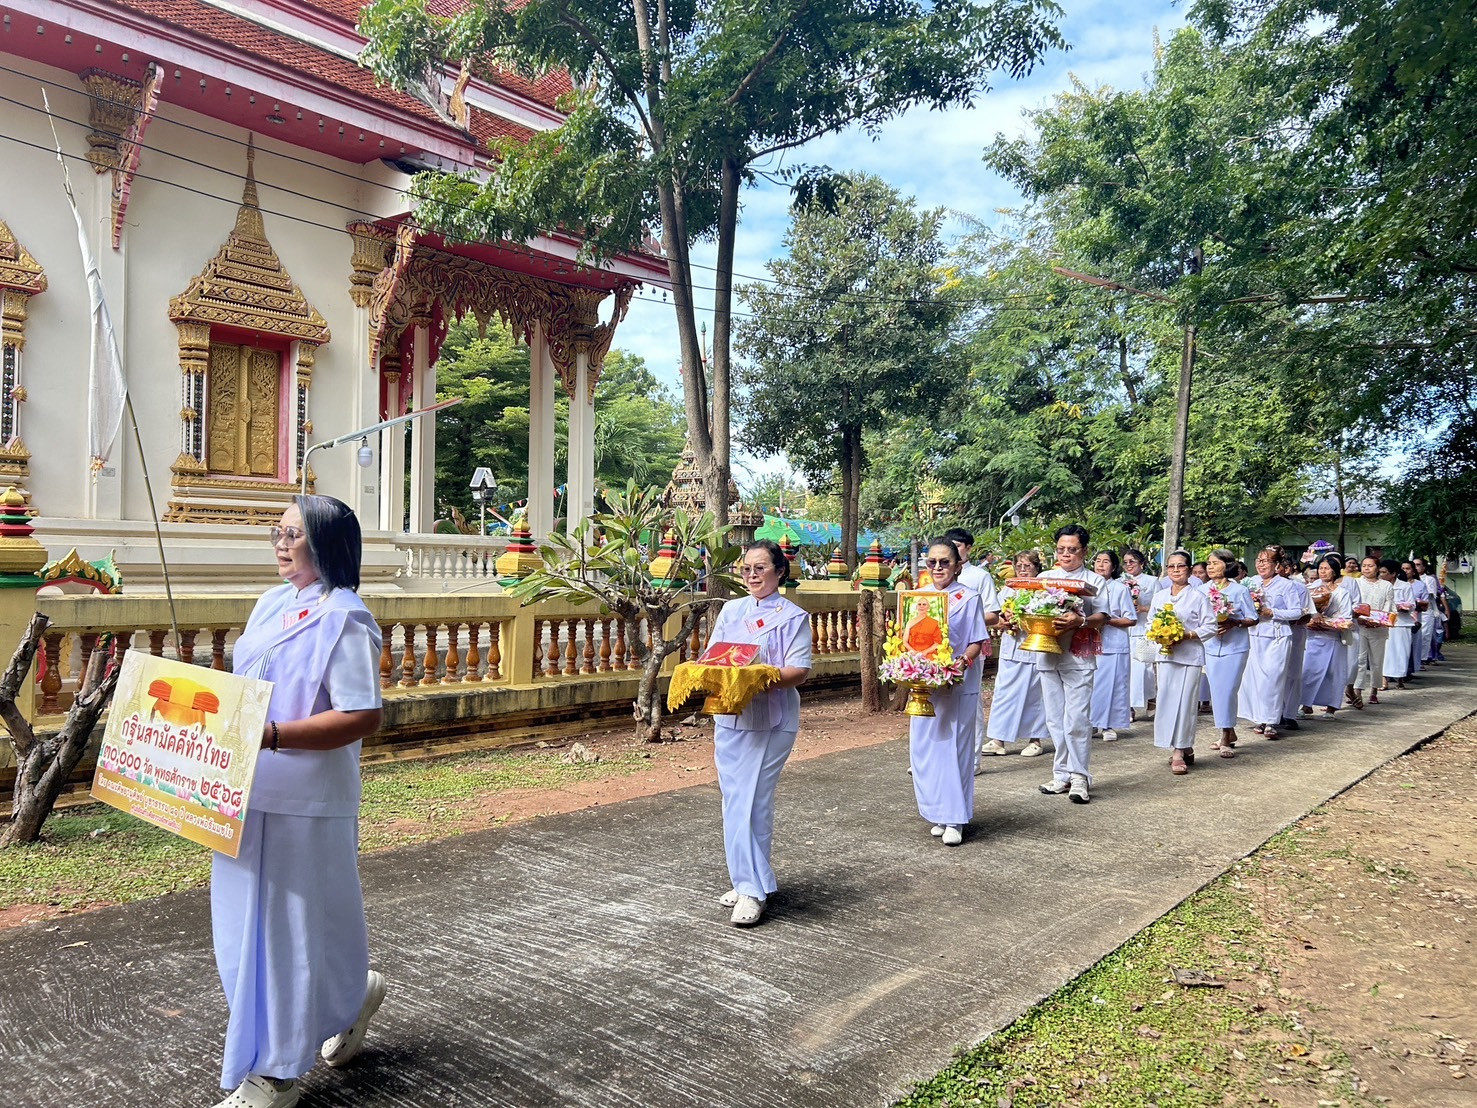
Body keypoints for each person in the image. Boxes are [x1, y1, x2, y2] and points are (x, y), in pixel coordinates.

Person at [211, 495, 385, 1108]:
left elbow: (362, 713)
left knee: (288, 932)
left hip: (306, 802)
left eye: (294, 534)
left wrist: (274, 735)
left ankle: (277, 1071)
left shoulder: (346, 619)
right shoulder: (271, 603)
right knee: (242, 927)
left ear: (326, 544)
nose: (281, 544)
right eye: (277, 532)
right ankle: (349, 996)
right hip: (239, 790)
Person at [705, 539, 812, 926]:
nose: (751, 575)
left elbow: (799, 670)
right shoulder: (731, 611)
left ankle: (753, 890)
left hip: (772, 719)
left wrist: (759, 677)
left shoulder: (793, 616)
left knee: (752, 802)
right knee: (734, 799)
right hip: (730, 715)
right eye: (746, 568)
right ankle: (745, 877)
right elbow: (715, 657)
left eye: (760, 568)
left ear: (779, 571)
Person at [908, 539, 989, 845]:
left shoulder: (968, 598)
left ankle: (956, 818)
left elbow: (976, 641)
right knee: (926, 750)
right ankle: (938, 813)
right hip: (924, 684)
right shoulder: (919, 599)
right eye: (932, 562)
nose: (938, 567)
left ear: (957, 565)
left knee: (955, 750)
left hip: (957, 683)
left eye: (945, 562)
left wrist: (959, 664)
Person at [1034, 525, 1109, 804]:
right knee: (1055, 719)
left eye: (1073, 549)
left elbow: (1103, 615)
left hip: (1078, 656)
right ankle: (1061, 774)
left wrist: (1082, 621)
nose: (1066, 554)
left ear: (1084, 551)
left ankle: (1080, 777)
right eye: (1062, 549)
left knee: (1077, 718)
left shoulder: (1094, 580)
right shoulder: (1045, 577)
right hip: (1048, 653)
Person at [1148, 550, 1216, 774]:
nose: (1176, 570)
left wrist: (1186, 635)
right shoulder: (1160, 597)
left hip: (1189, 656)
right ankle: (1183, 746)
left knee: (1185, 703)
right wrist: (1159, 634)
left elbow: (1210, 626)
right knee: (1167, 700)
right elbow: (1150, 622)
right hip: (1166, 656)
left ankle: (1178, 751)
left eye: (1180, 566)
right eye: (1171, 566)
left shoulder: (1198, 596)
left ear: (1188, 570)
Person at [942, 528, 1003, 768]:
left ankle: (972, 759)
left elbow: (994, 612)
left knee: (970, 702)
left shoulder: (979, 577)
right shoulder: (934, 578)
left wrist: (967, 616)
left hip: (969, 647)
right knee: (937, 700)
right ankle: (940, 756)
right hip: (938, 650)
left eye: (957, 546)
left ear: (968, 548)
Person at [984, 551, 1049, 759]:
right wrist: (1004, 620)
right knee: (1004, 694)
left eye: (1027, 566)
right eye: (1019, 566)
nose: (1022, 569)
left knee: (1035, 695)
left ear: (1036, 568)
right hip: (1011, 646)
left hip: (1034, 647)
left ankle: (1035, 740)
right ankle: (998, 739)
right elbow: (997, 615)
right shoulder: (1008, 588)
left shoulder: (1043, 589)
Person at [1240, 545, 1303, 741]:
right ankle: (1259, 718)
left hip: (1277, 636)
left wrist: (1273, 612)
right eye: (1258, 560)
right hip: (1254, 635)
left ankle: (1271, 721)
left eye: (1265, 561)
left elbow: (1297, 611)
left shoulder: (1286, 585)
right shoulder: (1250, 582)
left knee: (1273, 679)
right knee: (1255, 680)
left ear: (1276, 565)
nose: (1261, 565)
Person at [1203, 548, 1256, 755]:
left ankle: (1225, 737)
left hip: (1235, 647)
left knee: (1228, 690)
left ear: (1228, 565)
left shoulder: (1239, 590)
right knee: (1217, 692)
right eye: (1208, 563)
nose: (1210, 567)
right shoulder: (1202, 590)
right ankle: (1228, 730)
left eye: (1215, 563)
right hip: (1211, 646)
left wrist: (1234, 622)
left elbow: (1253, 618)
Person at [1300, 553, 1354, 717]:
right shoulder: (1309, 588)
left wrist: (1325, 621)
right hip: (1312, 637)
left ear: (1335, 571)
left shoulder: (1342, 592)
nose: (1323, 572)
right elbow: (1303, 610)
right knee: (1309, 671)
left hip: (1332, 637)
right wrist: (1310, 619)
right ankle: (1306, 704)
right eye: (1321, 568)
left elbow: (1346, 617)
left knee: (1332, 673)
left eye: (1327, 569)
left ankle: (1331, 706)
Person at [1089, 550, 1135, 743]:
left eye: (1106, 561)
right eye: (1098, 561)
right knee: (1089, 685)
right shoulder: (1086, 587)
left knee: (1112, 686)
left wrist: (1107, 621)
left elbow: (1130, 619)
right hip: (1089, 644)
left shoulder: (1119, 588)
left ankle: (1108, 725)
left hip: (1113, 644)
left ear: (1114, 567)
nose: (1100, 565)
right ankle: (1089, 723)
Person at [1277, 553, 1313, 730]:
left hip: (1295, 633)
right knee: (1273, 674)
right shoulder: (1260, 586)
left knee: (1292, 674)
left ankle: (1290, 713)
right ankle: (1274, 713)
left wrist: (1293, 620)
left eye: (1280, 567)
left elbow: (1307, 613)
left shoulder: (1299, 587)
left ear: (1288, 569)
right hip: (1271, 635)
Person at [1353, 555, 1394, 705]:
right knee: (1359, 660)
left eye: (1370, 565)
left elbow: (1388, 605)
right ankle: (1357, 690)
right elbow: (1352, 604)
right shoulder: (1356, 583)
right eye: (1364, 565)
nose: (1366, 568)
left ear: (1377, 568)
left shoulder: (1386, 585)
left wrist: (1378, 621)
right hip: (1360, 626)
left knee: (1376, 661)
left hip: (1378, 628)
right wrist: (1359, 618)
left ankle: (1374, 690)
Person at [1122, 548, 1158, 719]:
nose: (1128, 565)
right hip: (1126, 630)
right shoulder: (1120, 581)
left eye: (1132, 561)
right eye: (1126, 562)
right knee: (1127, 671)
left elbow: (1160, 606)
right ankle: (1129, 707)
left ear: (1141, 563)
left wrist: (1142, 608)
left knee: (1144, 669)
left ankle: (1152, 698)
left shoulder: (1152, 581)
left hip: (1143, 629)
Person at [1382, 559, 1418, 690]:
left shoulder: (1404, 586)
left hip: (1402, 623)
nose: (1381, 575)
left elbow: (1412, 604)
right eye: (1380, 572)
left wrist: (1403, 607)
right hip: (1385, 622)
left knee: (1401, 652)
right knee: (1385, 652)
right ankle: (1384, 679)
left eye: (1384, 572)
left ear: (1393, 574)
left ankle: (1400, 679)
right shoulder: (1380, 585)